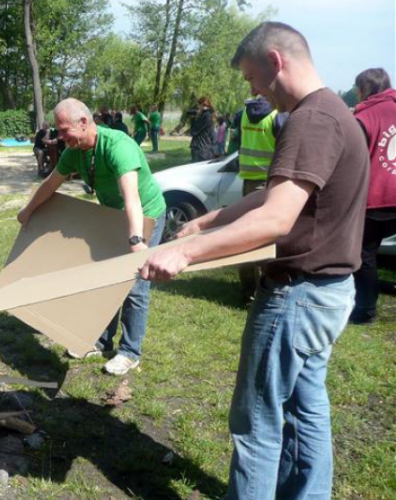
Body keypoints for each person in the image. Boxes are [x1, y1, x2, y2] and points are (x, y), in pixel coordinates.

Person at [140, 22, 369, 499]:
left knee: (257, 426)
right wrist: (210, 219)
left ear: (275, 60)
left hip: (296, 298)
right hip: (329, 292)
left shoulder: (310, 119)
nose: (253, 90)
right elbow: (277, 193)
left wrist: (183, 252)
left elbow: (274, 221)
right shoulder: (336, 113)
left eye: (251, 77)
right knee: (306, 412)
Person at [18, 98, 166, 375]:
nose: (59, 137)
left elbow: (131, 198)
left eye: (64, 130)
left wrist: (136, 241)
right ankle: (100, 340)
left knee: (133, 287)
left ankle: (129, 352)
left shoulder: (117, 145)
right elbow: (50, 184)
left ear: (84, 123)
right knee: (104, 280)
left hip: (145, 216)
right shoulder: (74, 151)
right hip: (111, 216)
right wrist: (28, 211)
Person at [350, 68, 396, 324]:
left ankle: (365, 311)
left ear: (364, 89)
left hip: (376, 199)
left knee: (364, 254)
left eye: (357, 89)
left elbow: (352, 162)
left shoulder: (364, 117)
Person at [236, 95, 288, 301]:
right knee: (266, 237)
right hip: (269, 182)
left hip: (248, 182)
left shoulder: (243, 115)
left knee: (245, 237)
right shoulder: (278, 116)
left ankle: (248, 288)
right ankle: (266, 291)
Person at [189, 96, 215, 162]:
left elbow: (193, 132)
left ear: (201, 105)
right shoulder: (209, 115)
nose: (198, 108)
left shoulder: (205, 116)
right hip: (206, 148)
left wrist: (192, 119)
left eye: (199, 106)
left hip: (200, 148)